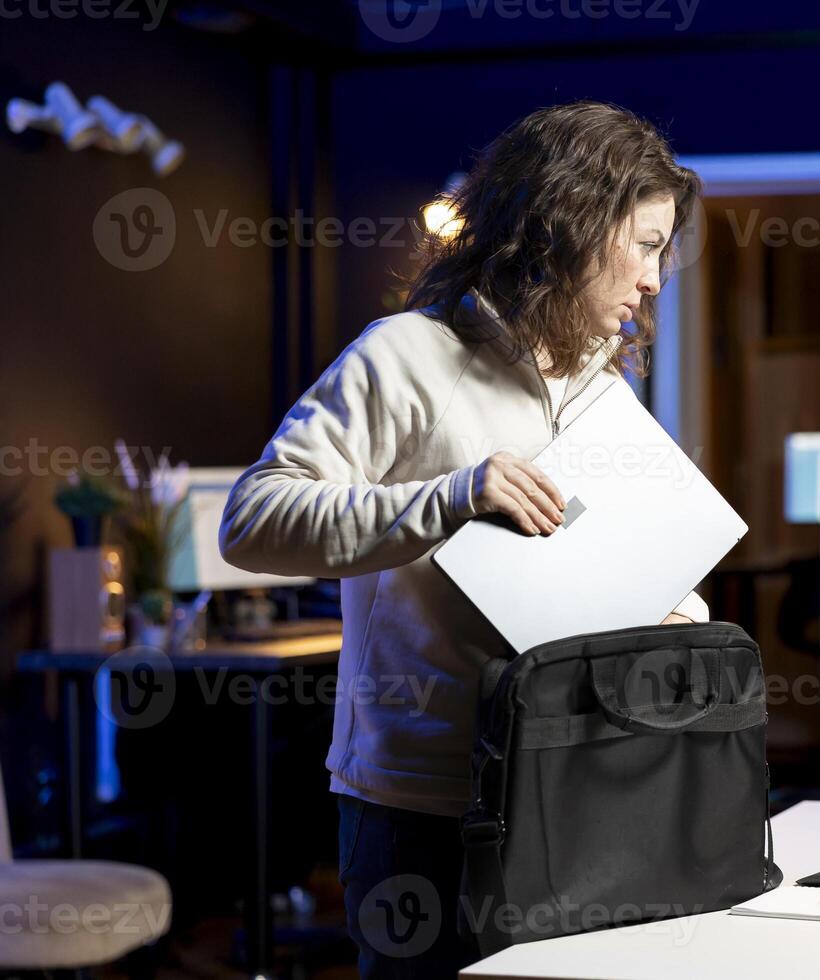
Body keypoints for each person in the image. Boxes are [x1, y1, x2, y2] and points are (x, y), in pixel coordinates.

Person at [218, 101, 705, 977]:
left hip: (571, 787)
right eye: (643, 245)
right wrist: (450, 496)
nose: (653, 280)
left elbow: (611, 562)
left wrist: (672, 609)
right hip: (419, 806)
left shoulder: (603, 388)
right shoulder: (407, 354)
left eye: (661, 252)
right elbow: (253, 519)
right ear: (568, 222)